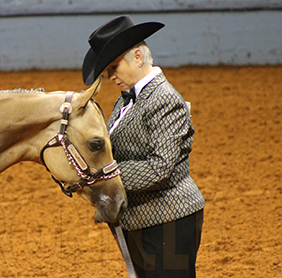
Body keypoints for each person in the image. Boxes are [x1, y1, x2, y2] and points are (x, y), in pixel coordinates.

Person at [82, 15, 206, 278]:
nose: (110, 76)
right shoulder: (126, 100)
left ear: (138, 56)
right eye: (107, 71)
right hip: (142, 221)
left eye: (114, 67)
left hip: (169, 222)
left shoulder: (164, 99)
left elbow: (159, 168)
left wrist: (103, 176)